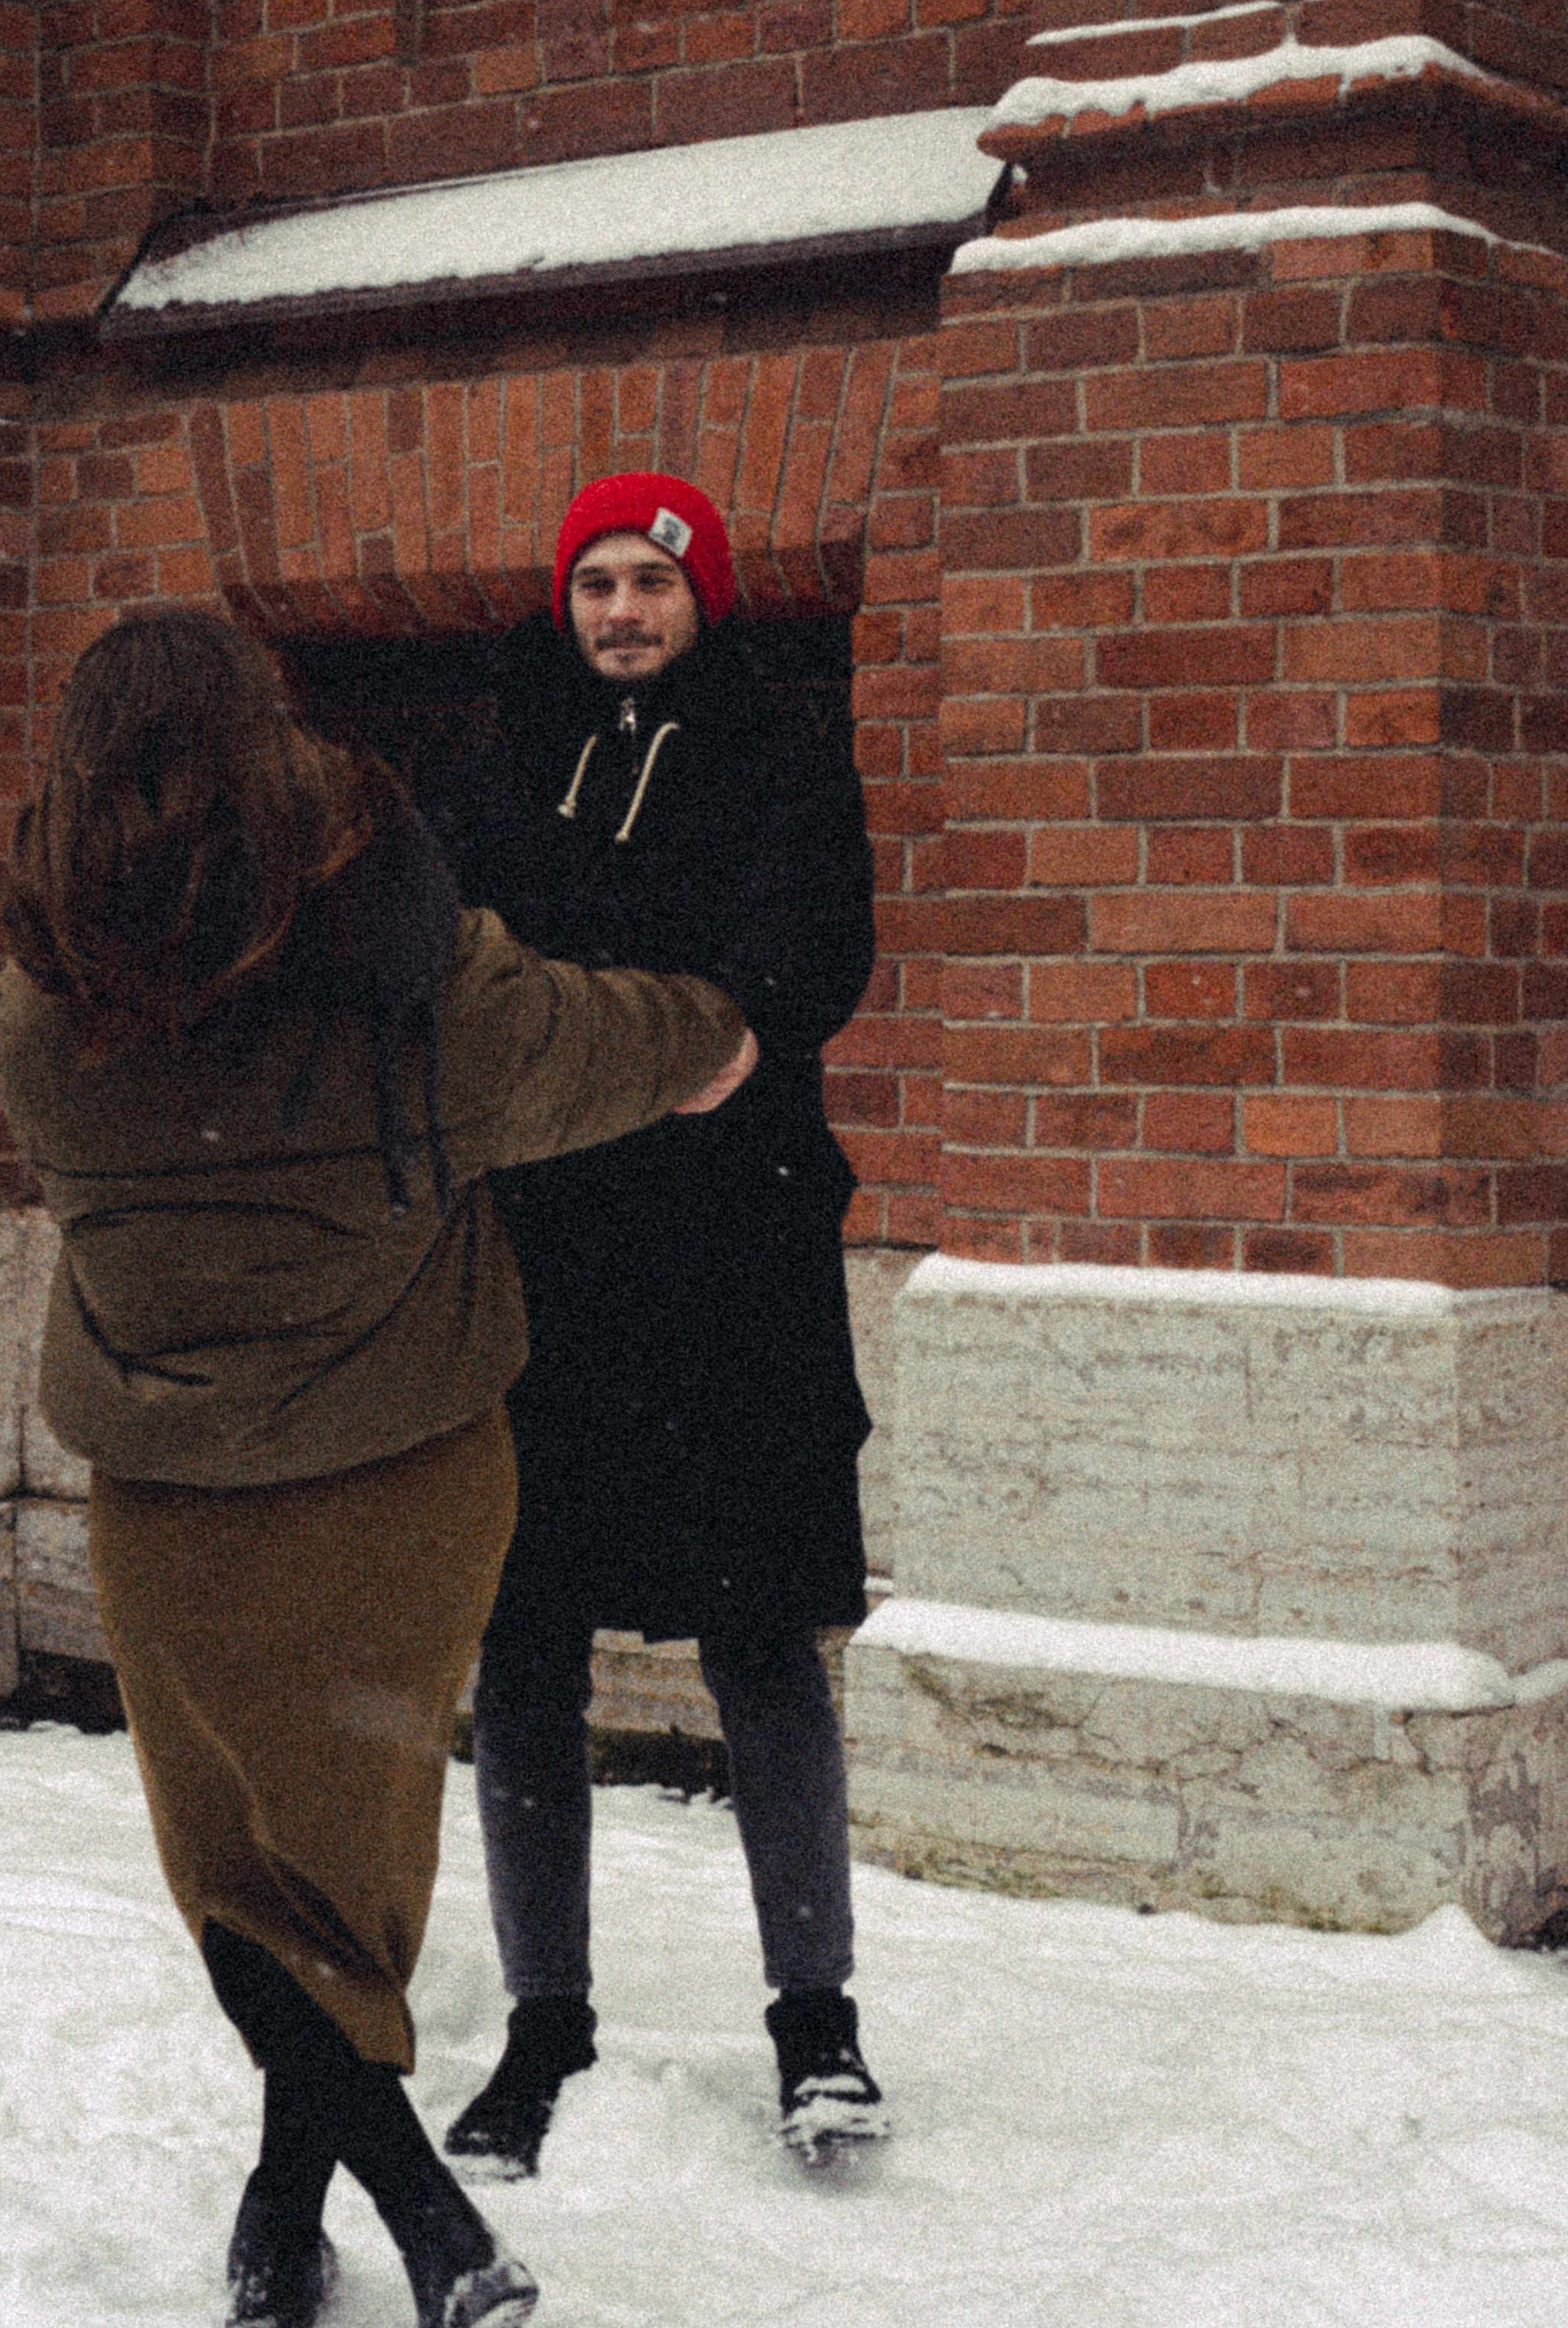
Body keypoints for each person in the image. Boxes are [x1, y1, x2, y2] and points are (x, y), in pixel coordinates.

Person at [0, 607, 755, 2328]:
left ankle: (322, 2216)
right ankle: (402, 2215)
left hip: (168, 1500)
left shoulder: (41, 1015)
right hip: (399, 1487)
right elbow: (596, 1041)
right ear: (267, 742)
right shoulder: (415, 994)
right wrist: (715, 1031)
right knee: (343, 1881)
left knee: (246, 1885)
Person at [431, 472, 884, 2176]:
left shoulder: (777, 759)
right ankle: (545, 2024)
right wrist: (648, 1021)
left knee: (760, 1637)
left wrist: (591, 1019)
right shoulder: (489, 774)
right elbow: (463, 979)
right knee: (523, 1643)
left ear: (703, 599)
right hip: (543, 1266)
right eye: (595, 584)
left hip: (734, 1265)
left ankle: (815, 2021)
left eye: (651, 582)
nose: (620, 611)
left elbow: (791, 971)